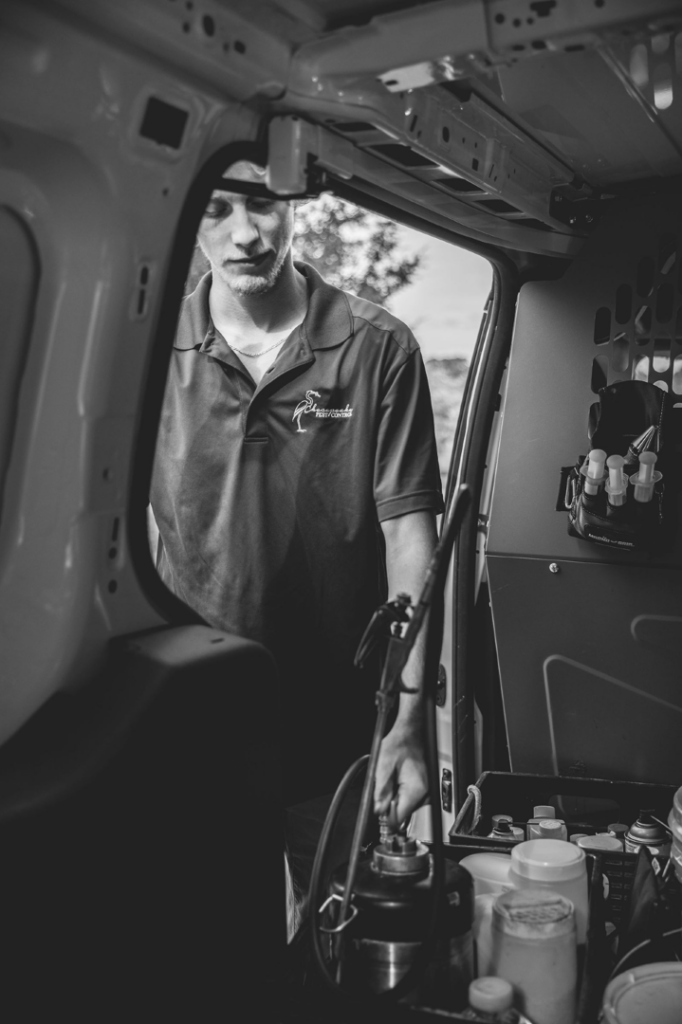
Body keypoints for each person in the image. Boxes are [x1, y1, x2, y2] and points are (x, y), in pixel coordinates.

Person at [149, 160, 443, 929]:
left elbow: (409, 535)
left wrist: (411, 718)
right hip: (196, 720)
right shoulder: (150, 347)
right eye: (217, 209)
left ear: (295, 203)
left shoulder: (380, 348)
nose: (245, 233)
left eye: (261, 203)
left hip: (337, 726)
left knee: (336, 939)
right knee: (214, 944)